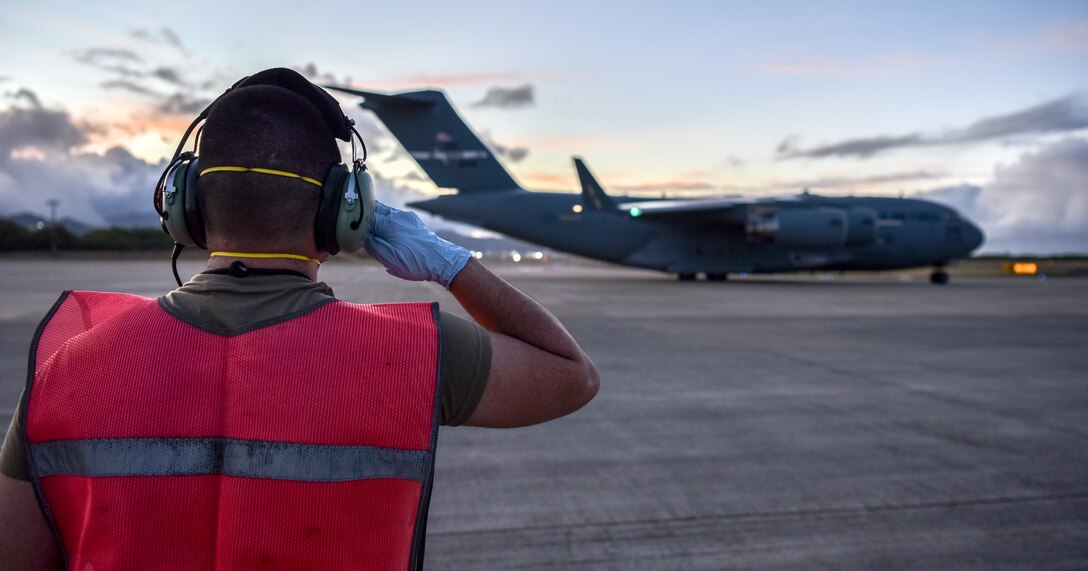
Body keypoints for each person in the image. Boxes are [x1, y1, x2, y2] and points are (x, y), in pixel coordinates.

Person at [0, 69, 599, 570]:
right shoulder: (419, 351)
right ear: (345, 214)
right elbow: (571, 375)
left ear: (185, 207)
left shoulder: (64, 366)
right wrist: (450, 264)